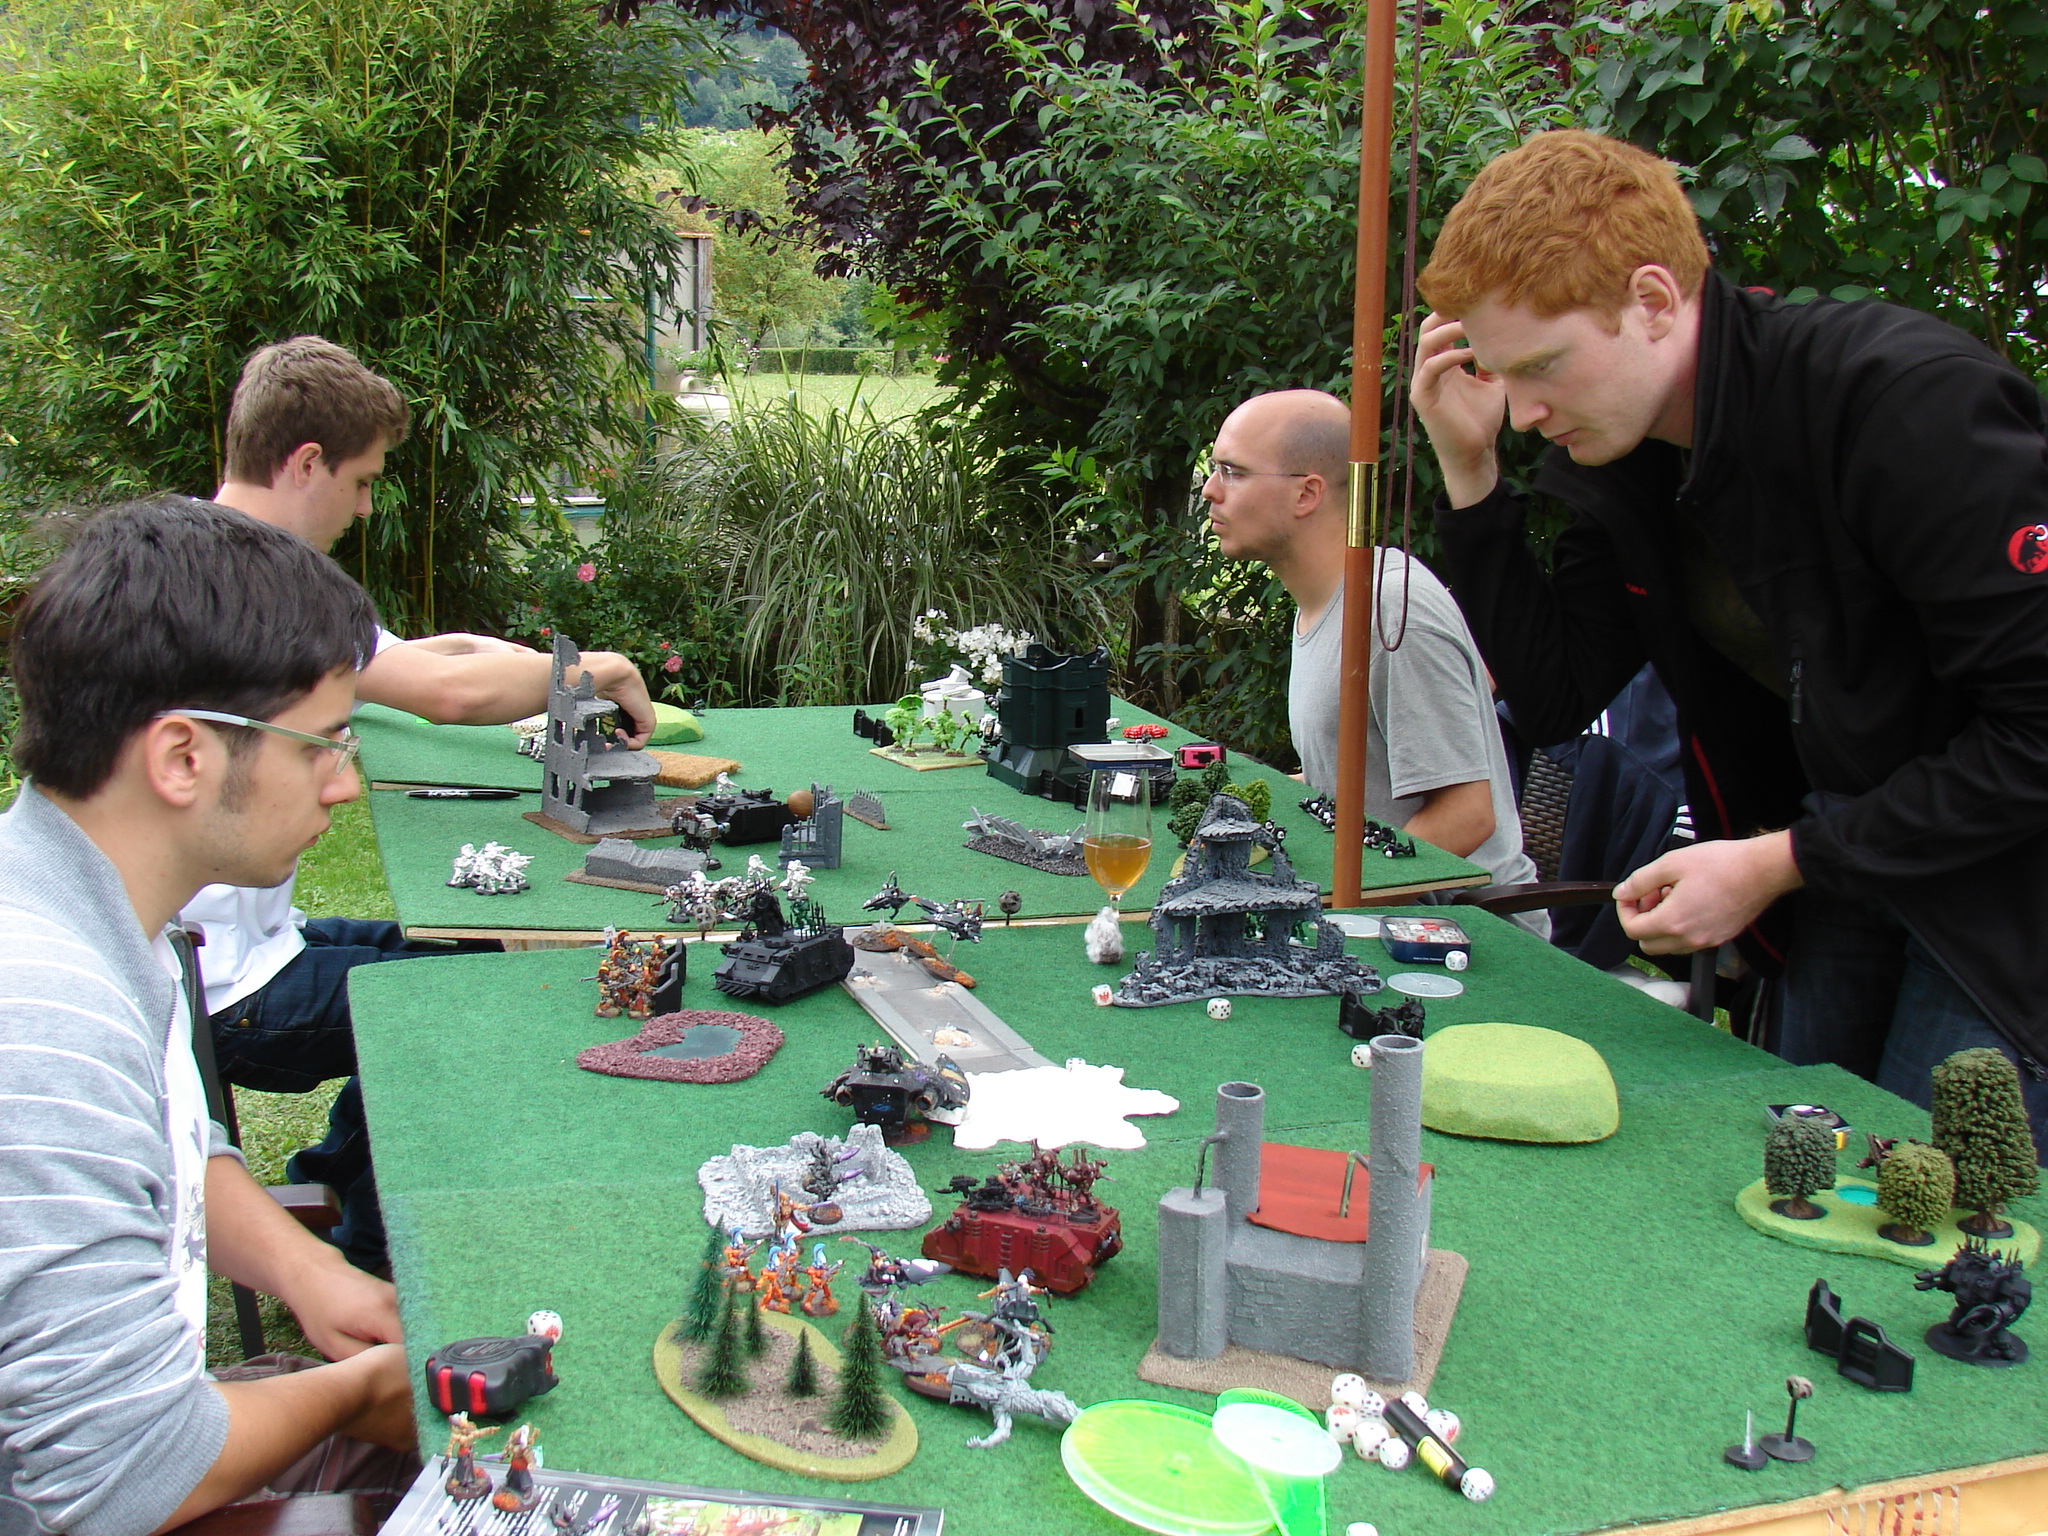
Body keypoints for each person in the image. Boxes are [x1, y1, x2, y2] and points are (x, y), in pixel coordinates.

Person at [1408, 130, 2048, 1150]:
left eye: (1541, 367)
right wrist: (1468, 472)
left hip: (1999, 903)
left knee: (1929, 1209)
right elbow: (1556, 694)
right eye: (1501, 374)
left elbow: (2036, 732)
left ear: (1654, 301)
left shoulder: (1906, 404)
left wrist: (1778, 859)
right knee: (1798, 1182)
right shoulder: (1631, 460)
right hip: (1838, 872)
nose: (1523, 412)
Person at [186, 335, 659, 1268]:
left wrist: (505, 656)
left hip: (237, 945)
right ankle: (372, 1259)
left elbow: (413, 660)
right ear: (306, 462)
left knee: (474, 955)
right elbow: (444, 694)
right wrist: (602, 668)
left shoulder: (211, 554)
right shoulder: (267, 586)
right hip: (222, 988)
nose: (366, 508)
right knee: (461, 1003)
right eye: (362, 481)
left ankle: (332, 1179)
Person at [0, 497, 418, 1536]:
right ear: (183, 756)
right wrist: (361, 1391)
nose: (343, 786)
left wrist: (314, 1274)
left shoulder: (92, 910)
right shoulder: (47, 1014)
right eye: (320, 746)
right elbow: (117, 1481)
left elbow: (179, 1149)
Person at [1201, 389, 1545, 932]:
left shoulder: (1389, 614)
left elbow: (1468, 815)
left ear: (1307, 493)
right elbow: (1361, 789)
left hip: (1464, 930)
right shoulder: (1325, 602)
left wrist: (1325, 904)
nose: (1210, 489)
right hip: (1387, 907)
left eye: (1233, 472)